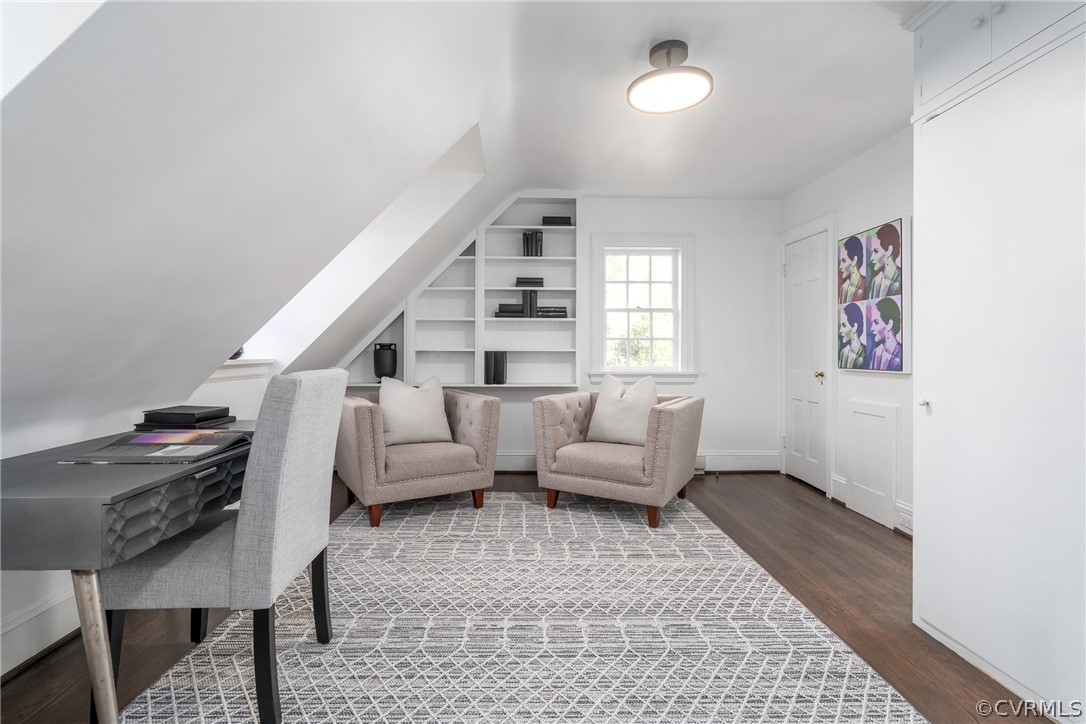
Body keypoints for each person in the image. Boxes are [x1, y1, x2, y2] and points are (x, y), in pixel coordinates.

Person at [867, 223, 902, 299]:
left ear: (889, 250)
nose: (871, 258)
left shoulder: (902, 277)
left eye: (876, 251)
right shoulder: (875, 281)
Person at [867, 297, 903, 371]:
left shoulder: (902, 354)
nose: (871, 328)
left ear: (889, 324)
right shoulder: (876, 352)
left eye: (876, 322)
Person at [838, 236, 866, 303]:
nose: (840, 267)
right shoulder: (844, 288)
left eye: (844, 261)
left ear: (854, 260)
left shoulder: (865, 285)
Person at [838, 303, 866, 369]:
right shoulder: (843, 352)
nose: (840, 331)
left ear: (854, 327)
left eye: (844, 325)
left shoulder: (866, 354)